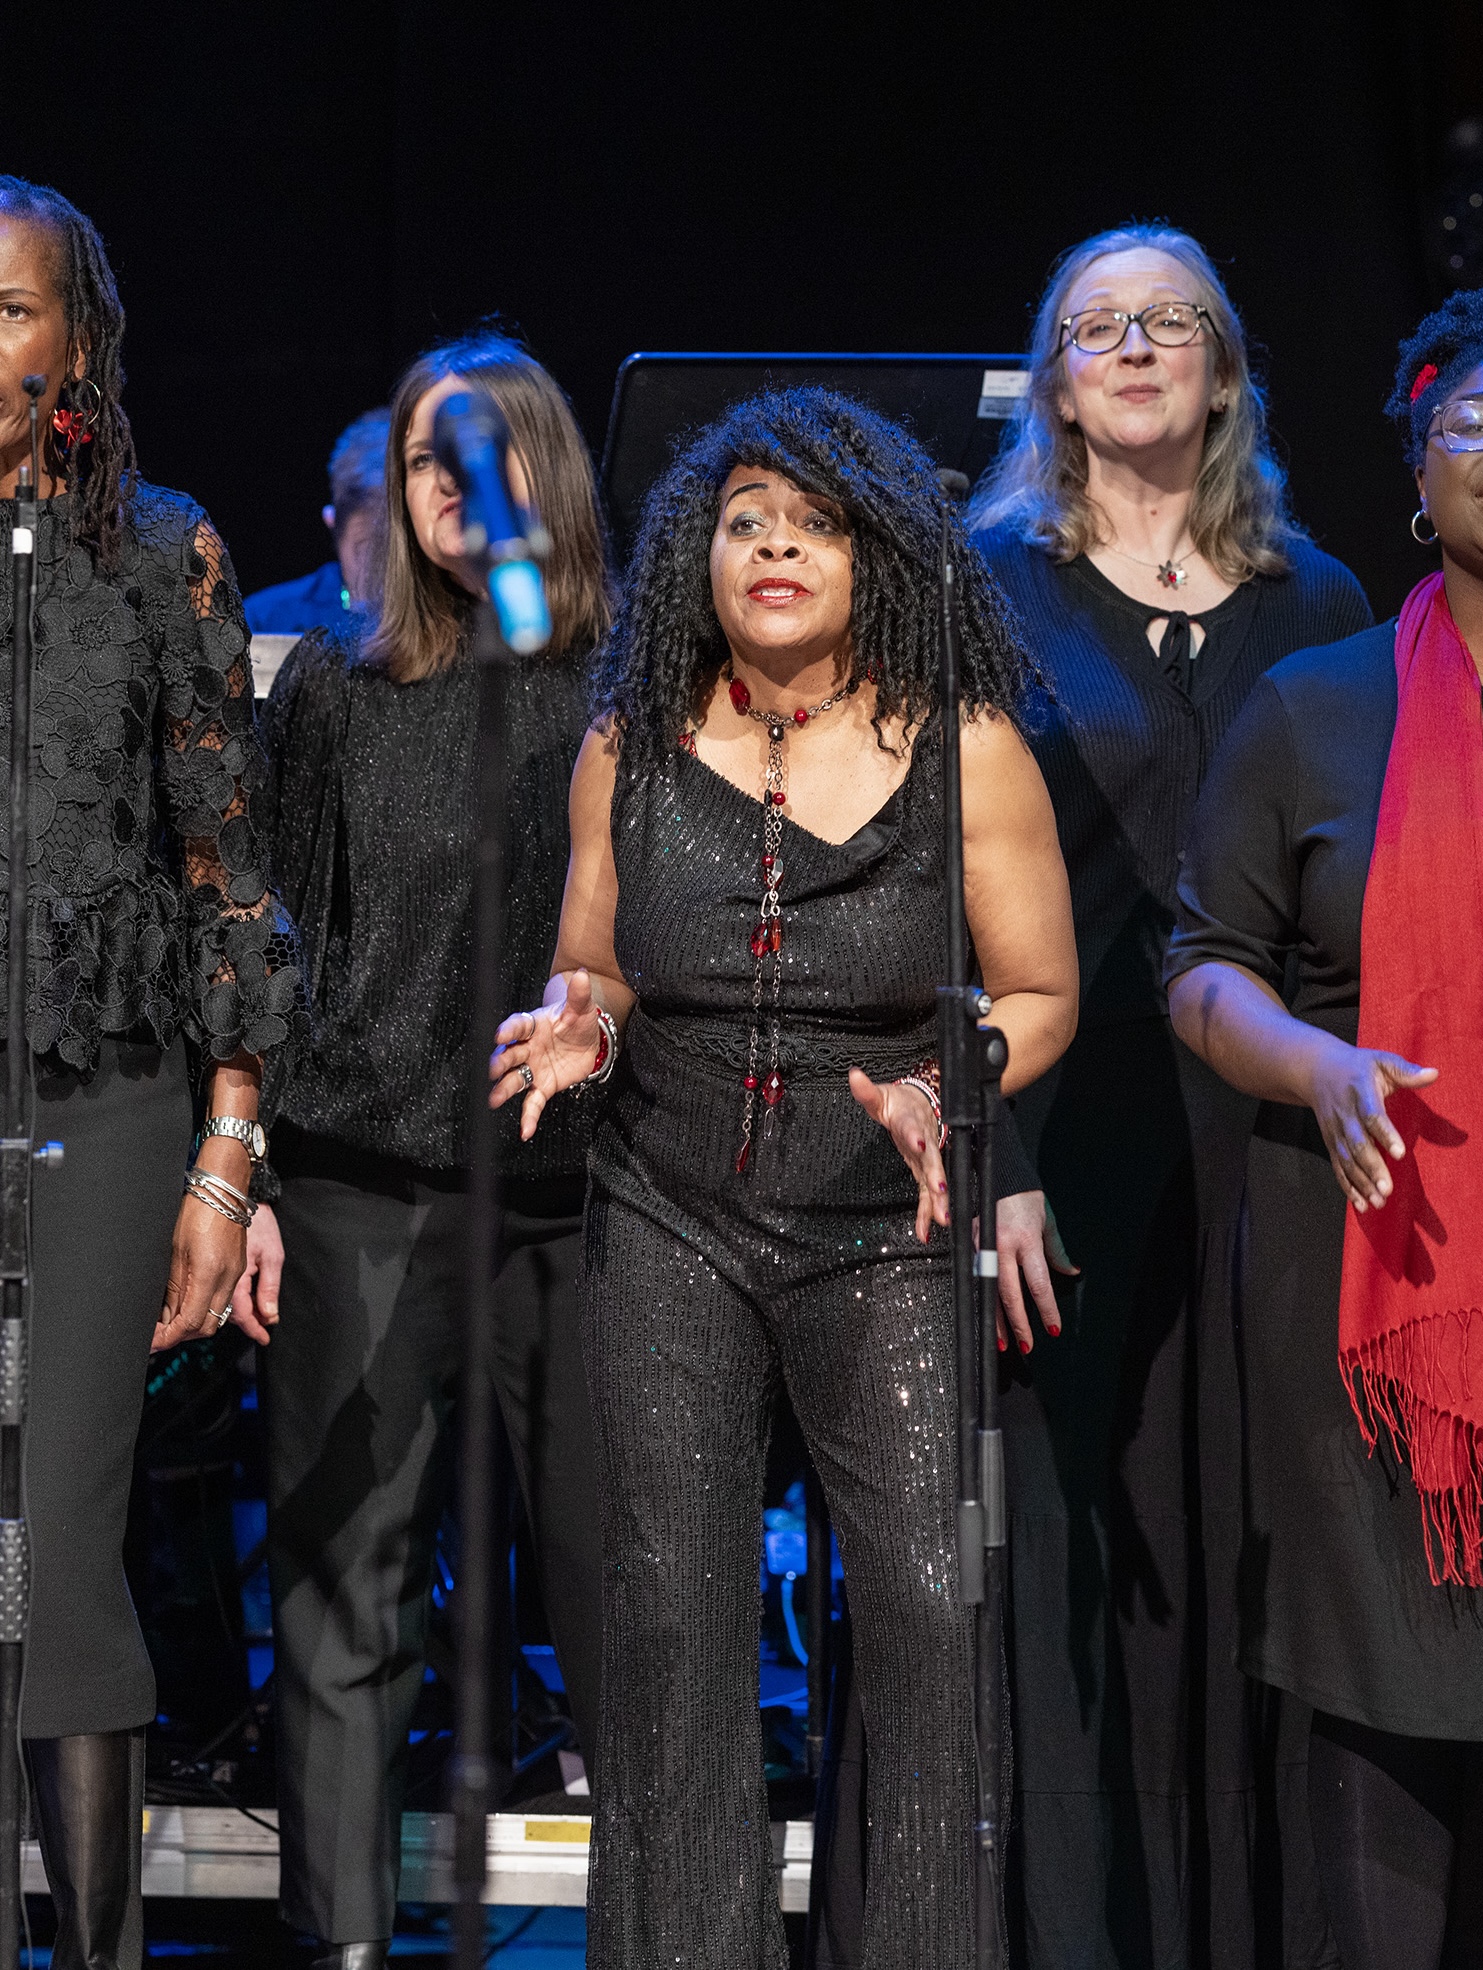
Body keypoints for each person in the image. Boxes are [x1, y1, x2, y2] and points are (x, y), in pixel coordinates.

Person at [489, 387, 1079, 1969]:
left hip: (887, 1227)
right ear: (699, 549)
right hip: (668, 1211)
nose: (775, 546)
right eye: (745, 518)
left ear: (876, 553)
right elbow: (597, 964)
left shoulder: (964, 746)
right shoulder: (628, 740)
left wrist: (945, 1083)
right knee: (671, 1617)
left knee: (928, 1618)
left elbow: (1039, 990)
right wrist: (579, 1026)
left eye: (815, 523)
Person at [966, 224, 1373, 1968]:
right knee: (1065, 1545)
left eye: (1170, 321)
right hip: (1057, 1128)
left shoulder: (1322, 603)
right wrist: (986, 1145)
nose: (1134, 347)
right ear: (1055, 387)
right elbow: (924, 899)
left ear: (1223, 370)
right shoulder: (980, 591)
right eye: (1096, 327)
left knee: (1262, 1530)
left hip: (1266, 1141)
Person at [1166, 282, 1483, 1970]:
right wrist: (1316, 1069)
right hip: (1374, 1283)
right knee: (1386, 1702)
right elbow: (1202, 968)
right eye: (1480, 417)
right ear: (1418, 465)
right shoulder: (1318, 709)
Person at [252, 331, 612, 1970]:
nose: (451, 487)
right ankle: (340, 1940)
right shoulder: (337, 684)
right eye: (421, 461)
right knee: (348, 1593)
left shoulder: (626, 680)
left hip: (582, 1198)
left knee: (615, 1579)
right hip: (364, 1183)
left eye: (482, 453)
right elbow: (270, 934)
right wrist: (246, 1175)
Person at [0, 176, 297, 1968]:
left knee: (52, 1544)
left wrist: (226, 1157)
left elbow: (225, 872)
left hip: (98, 1104)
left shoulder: (159, 553)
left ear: (77, 343)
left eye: (8, 309)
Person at [244, 407, 389, 635]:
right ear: (331, 520)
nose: (385, 570)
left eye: (394, 547)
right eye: (367, 550)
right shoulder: (264, 621)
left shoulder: (449, 618)